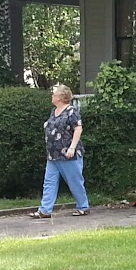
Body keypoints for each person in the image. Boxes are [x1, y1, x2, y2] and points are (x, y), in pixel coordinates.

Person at [30, 84, 90, 219]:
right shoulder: (54, 111)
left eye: (54, 94)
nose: (52, 96)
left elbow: (78, 129)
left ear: (61, 97)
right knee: (49, 182)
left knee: (75, 181)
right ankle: (45, 210)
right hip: (53, 155)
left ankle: (83, 206)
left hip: (69, 154)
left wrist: (72, 147)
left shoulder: (71, 111)